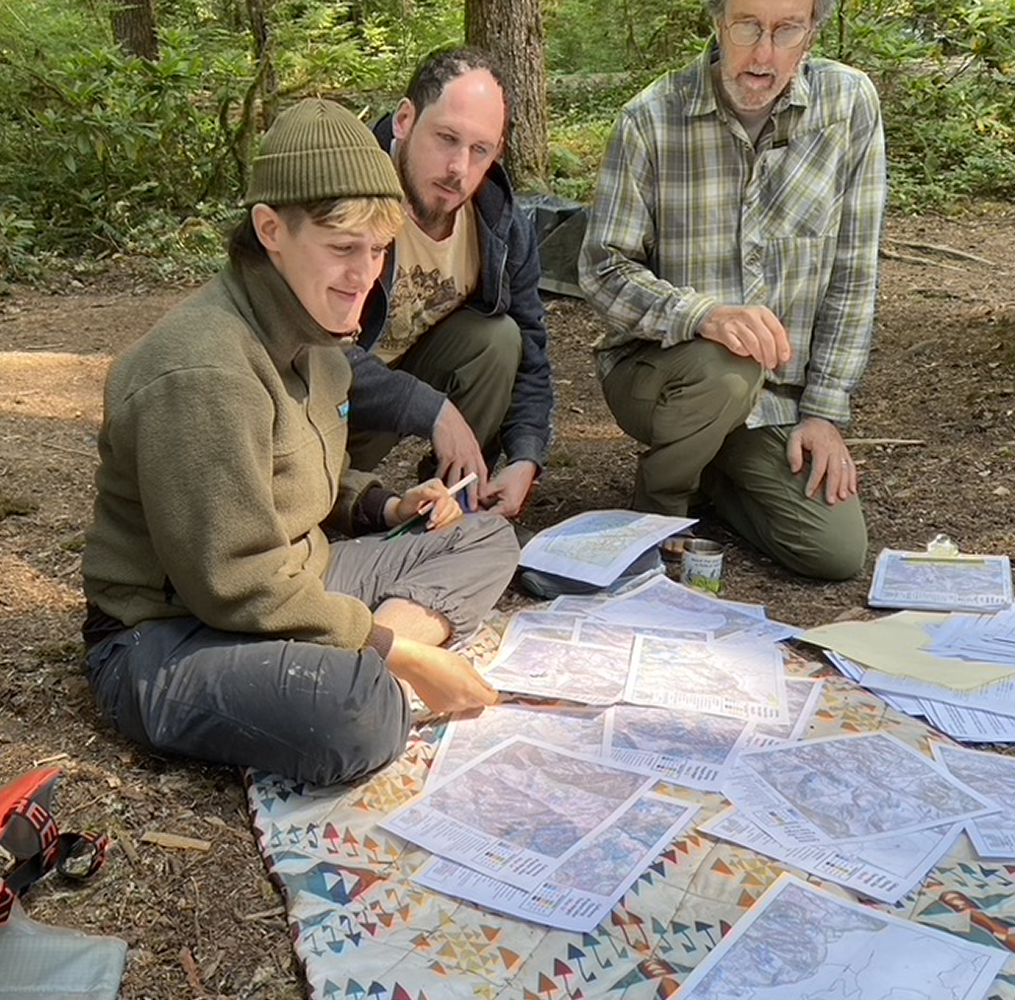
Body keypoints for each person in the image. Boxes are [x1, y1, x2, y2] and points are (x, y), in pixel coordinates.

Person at [81, 99, 517, 787]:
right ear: (270, 229)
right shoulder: (204, 369)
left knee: (485, 537)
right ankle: (360, 657)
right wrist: (400, 652)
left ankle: (349, 646)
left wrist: (386, 507)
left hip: (294, 581)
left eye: (378, 251)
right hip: (166, 637)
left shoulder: (314, 337)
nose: (363, 276)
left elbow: (294, 476)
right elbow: (234, 581)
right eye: (343, 249)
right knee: (363, 713)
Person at [579, 0, 885, 580]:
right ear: (717, 22)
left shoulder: (849, 106)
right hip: (662, 375)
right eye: (747, 26)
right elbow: (601, 269)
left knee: (834, 553)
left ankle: (713, 471)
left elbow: (854, 273)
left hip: (776, 402)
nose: (764, 54)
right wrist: (701, 315)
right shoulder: (650, 118)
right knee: (729, 367)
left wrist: (823, 414)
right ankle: (662, 505)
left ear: (811, 33)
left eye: (786, 29)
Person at [344, 46, 554, 520]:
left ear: (497, 151)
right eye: (446, 138)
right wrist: (431, 409)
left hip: (395, 393)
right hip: (316, 404)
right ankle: (357, 501)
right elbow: (306, 348)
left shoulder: (499, 224)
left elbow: (532, 355)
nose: (459, 168)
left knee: (499, 339)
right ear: (404, 120)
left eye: (479, 149)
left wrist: (526, 456)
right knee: (302, 503)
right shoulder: (345, 200)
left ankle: (444, 506)